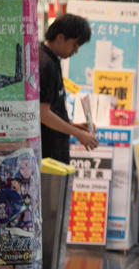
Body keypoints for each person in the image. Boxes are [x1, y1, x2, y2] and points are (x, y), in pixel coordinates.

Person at [39, 13, 99, 162]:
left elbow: (52, 109)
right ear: (60, 37)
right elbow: (42, 113)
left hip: (54, 150)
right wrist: (77, 133)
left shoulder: (51, 60)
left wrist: (74, 126)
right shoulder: (46, 64)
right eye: (75, 45)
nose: (76, 51)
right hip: (49, 155)